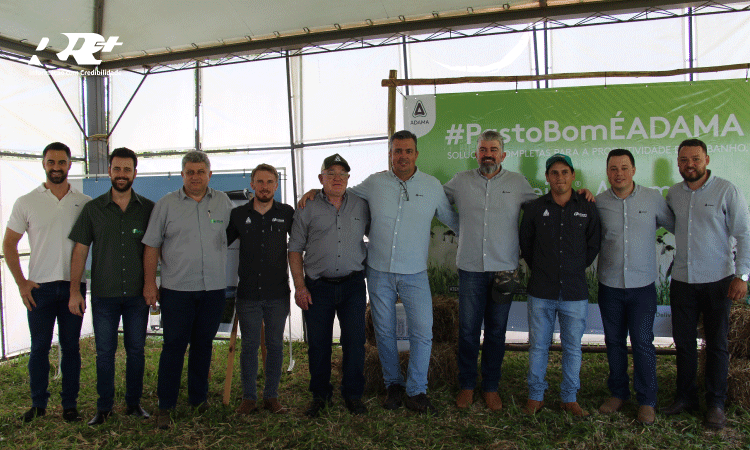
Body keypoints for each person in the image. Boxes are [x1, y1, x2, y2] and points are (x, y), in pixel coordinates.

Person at [299, 130, 458, 414]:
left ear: (416, 154)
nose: (403, 156)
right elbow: (339, 192)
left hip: (415, 272)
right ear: (390, 154)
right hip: (378, 271)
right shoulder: (374, 183)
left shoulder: (433, 186)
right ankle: (393, 385)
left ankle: (417, 391)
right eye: (397, 151)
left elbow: (453, 221)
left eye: (408, 151)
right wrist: (315, 190)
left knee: (423, 332)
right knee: (384, 332)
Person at [443, 130, 536, 411]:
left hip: (504, 269)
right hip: (470, 268)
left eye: (494, 150)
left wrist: (578, 194)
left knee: (496, 332)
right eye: (483, 149)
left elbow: (541, 210)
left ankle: (491, 387)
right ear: (476, 154)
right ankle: (468, 386)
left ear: (503, 155)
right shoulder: (460, 181)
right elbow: (434, 201)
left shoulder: (518, 183)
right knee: (469, 332)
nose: (488, 154)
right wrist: (459, 227)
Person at [141, 150, 233, 429]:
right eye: (190, 172)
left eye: (200, 172)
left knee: (203, 346)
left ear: (209, 175)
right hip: (177, 290)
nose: (195, 177)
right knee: (173, 347)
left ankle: (198, 399)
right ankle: (165, 405)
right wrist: (149, 284)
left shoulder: (224, 202)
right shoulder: (166, 205)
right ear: (182, 175)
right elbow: (151, 246)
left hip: (213, 290)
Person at [663, 138, 750, 429]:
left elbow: (745, 233)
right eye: (684, 160)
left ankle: (715, 404)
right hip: (683, 281)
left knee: (717, 344)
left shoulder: (727, 190)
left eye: (696, 159)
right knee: (684, 344)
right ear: (678, 163)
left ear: (707, 160)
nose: (690, 165)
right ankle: (686, 397)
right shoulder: (674, 194)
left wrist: (743, 275)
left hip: (719, 281)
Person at [3, 142, 91, 423]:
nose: (56, 167)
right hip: (38, 289)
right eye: (51, 162)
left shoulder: (84, 202)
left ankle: (69, 406)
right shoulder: (26, 202)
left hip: (73, 288)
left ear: (69, 165)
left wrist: (76, 289)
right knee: (39, 347)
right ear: (43, 164)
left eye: (61, 162)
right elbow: (9, 245)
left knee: (71, 348)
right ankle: (38, 404)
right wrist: (21, 283)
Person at [68, 147, 155, 425]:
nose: (121, 174)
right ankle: (103, 407)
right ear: (109, 171)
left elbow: (155, 250)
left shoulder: (148, 209)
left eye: (127, 169)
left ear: (134, 173)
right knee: (104, 353)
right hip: (103, 296)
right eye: (116, 169)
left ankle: (133, 403)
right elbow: (80, 251)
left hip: (136, 295)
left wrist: (153, 285)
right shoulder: (93, 209)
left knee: (136, 351)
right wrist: (73, 290)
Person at [595, 149, 674, 425]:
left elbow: (676, 226)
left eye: (624, 168)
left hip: (642, 287)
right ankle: (618, 393)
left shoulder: (652, 198)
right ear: (607, 172)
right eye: (614, 168)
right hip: (610, 285)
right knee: (614, 342)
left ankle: (647, 400)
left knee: (642, 343)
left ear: (634, 170)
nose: (619, 173)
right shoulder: (599, 202)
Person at [519, 153, 600, 417]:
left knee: (572, 348)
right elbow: (527, 246)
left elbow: (593, 246)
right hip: (541, 291)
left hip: (574, 292)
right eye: (554, 173)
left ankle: (569, 397)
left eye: (565, 172)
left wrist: (573, 268)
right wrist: (545, 268)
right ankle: (535, 396)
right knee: (539, 346)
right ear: (547, 177)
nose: (560, 177)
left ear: (573, 176)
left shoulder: (587, 207)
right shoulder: (534, 208)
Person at [288, 154, 370, 417]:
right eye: (330, 173)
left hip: (353, 286)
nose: (337, 178)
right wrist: (300, 287)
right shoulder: (306, 206)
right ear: (320, 178)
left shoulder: (361, 205)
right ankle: (320, 395)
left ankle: (353, 394)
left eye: (342, 174)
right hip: (317, 288)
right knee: (319, 345)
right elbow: (294, 249)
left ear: (349, 178)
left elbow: (378, 233)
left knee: (355, 342)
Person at [226, 164, 294, 415]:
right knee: (249, 346)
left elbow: (300, 244)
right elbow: (219, 244)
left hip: (278, 294)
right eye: (260, 181)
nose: (265, 186)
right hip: (248, 294)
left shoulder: (287, 213)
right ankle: (249, 398)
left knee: (275, 345)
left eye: (270, 182)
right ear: (252, 184)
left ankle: (272, 397)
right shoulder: (238, 214)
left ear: (276, 185)